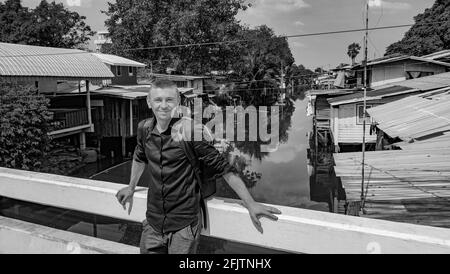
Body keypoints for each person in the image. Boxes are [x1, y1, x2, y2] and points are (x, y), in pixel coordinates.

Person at [116, 79, 281, 254]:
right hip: (153, 223)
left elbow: (223, 168)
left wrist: (250, 203)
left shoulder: (190, 131)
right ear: (149, 102)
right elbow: (139, 157)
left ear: (178, 102)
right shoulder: (145, 129)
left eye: (169, 100)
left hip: (183, 226)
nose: (163, 106)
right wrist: (131, 187)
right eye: (158, 100)